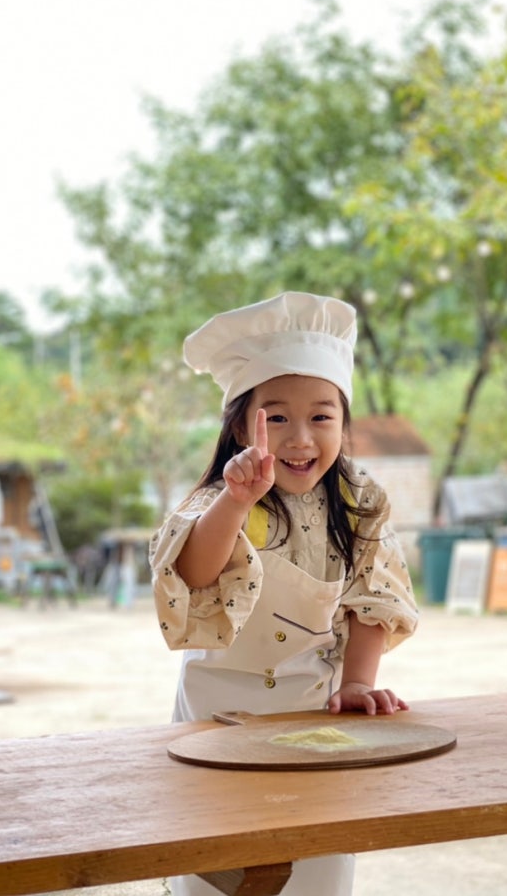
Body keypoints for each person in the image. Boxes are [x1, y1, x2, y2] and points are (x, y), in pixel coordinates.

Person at [150, 291, 419, 896]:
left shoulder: (359, 502)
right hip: (214, 719)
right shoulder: (219, 500)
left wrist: (356, 683)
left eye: (322, 416)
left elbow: (370, 597)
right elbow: (192, 574)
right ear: (241, 425)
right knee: (214, 869)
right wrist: (237, 500)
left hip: (315, 715)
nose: (301, 438)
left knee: (316, 867)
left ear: (343, 424)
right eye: (277, 417)